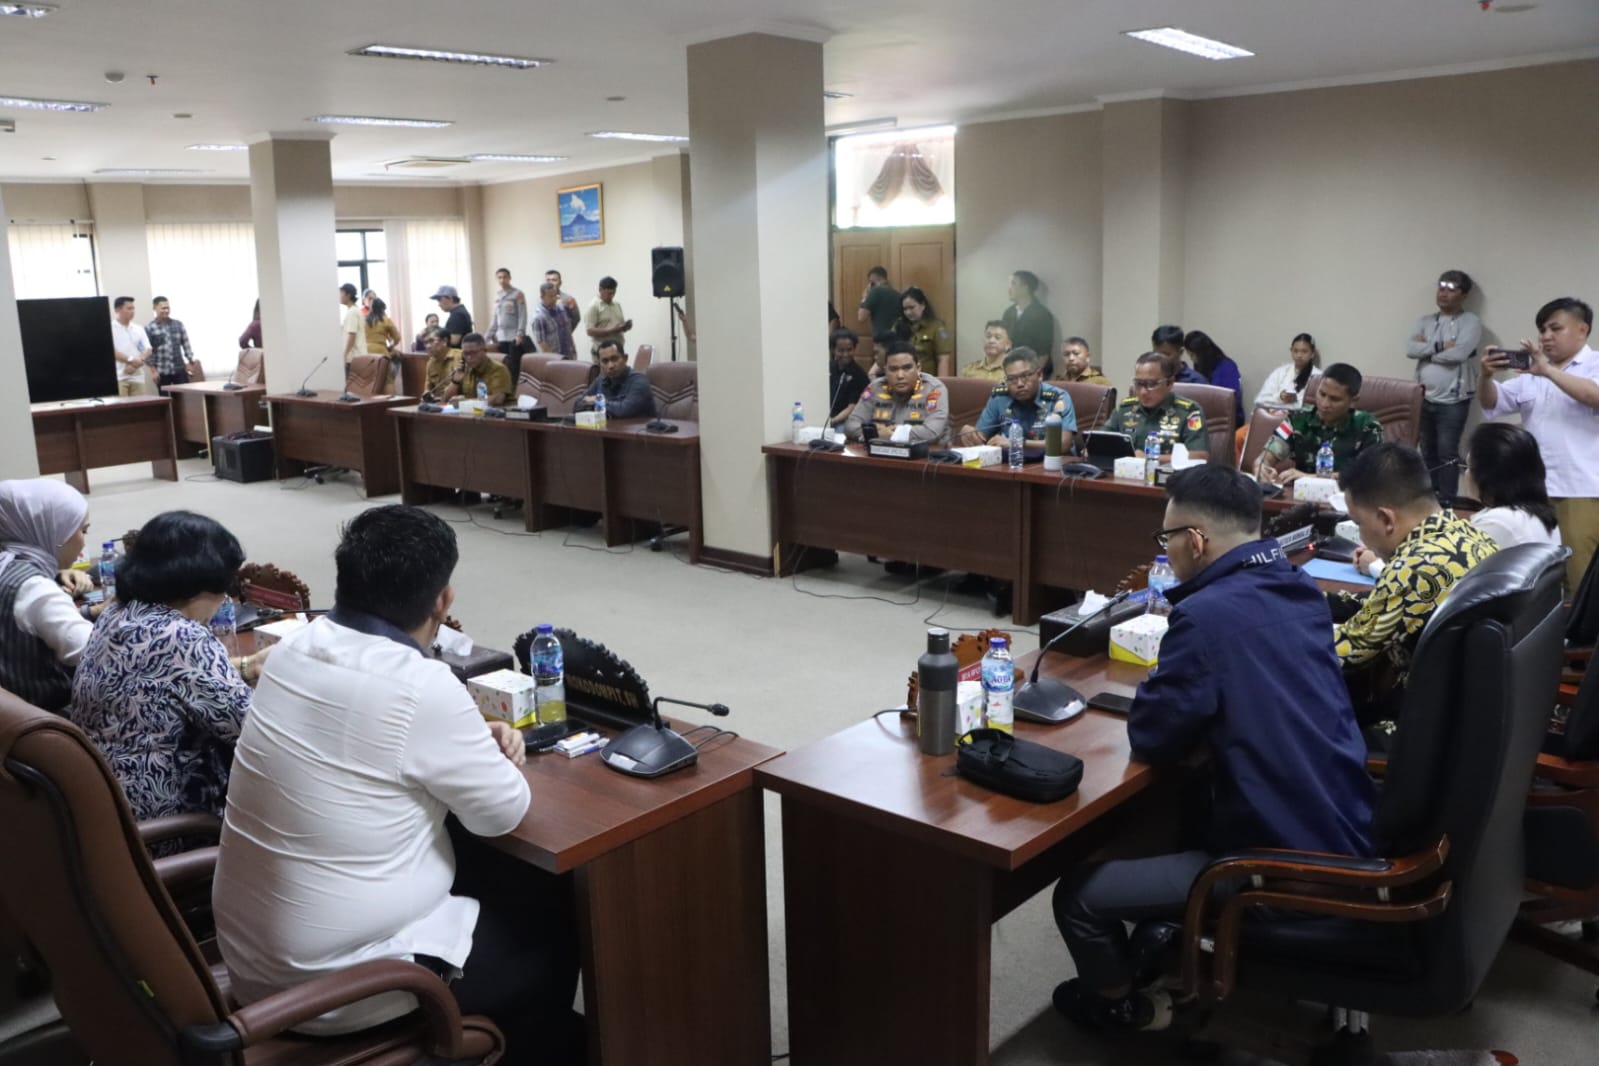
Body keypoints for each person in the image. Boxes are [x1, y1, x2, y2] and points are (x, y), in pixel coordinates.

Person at [214, 505, 582, 1062]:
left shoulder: (290, 651)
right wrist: (473, 746)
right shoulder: (421, 685)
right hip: (344, 987)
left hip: (252, 963)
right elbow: (502, 814)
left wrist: (458, 739)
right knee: (554, 907)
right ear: (442, 601)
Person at [1052, 465, 1374, 1033]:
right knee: (1167, 818)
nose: (1166, 550)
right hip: (1346, 830)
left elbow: (1153, 735)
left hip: (1277, 865)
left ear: (1195, 541)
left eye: (1166, 538)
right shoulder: (1300, 588)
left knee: (1077, 895)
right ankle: (1167, 946)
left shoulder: (1204, 617)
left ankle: (1123, 1006)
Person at [67, 511, 269, 826]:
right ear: (200, 584)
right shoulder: (183, 637)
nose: (225, 599)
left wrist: (249, 666)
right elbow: (252, 731)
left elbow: (167, 681)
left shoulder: (117, 614)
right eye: (224, 588)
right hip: (169, 817)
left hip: (105, 802)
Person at [1332, 443, 1495, 726]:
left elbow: (1344, 652)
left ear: (1386, 519)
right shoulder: (1471, 536)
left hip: (1419, 727)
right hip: (1471, 714)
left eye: (1358, 523)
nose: (1360, 535)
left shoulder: (1415, 568)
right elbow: (1385, 604)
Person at [1480, 297, 1599, 592]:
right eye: (1542, 330)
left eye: (1555, 328)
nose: (1546, 336)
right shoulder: (1532, 374)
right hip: (1534, 489)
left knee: (1579, 577)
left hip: (1579, 489)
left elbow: (1593, 396)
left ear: (1582, 329)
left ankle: (1579, 624)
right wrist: (1485, 376)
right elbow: (1492, 403)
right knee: (1538, 575)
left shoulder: (1593, 364)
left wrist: (1548, 371)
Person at [0, 479, 94, 712]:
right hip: (50, 717)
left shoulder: (7, 565)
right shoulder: (34, 588)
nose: (83, 543)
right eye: (82, 530)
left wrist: (89, 611)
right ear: (54, 532)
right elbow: (94, 653)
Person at [1407, 270, 1482, 500]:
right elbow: (1411, 349)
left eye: (1451, 289)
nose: (1443, 293)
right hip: (1423, 397)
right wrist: (1441, 346)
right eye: (1441, 288)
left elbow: (1459, 354)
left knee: (1447, 453)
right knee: (1426, 451)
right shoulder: (1425, 321)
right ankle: (1429, 499)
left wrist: (1427, 349)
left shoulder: (1470, 322)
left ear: (1464, 295)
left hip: (1453, 400)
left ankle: (1447, 501)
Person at [1254, 363, 1384, 484]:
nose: (1325, 404)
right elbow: (1267, 455)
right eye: (1322, 394)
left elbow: (1370, 474)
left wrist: (1310, 478)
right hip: (1301, 496)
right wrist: (1262, 465)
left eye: (1335, 399)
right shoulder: (1297, 418)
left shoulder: (1367, 426)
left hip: (1346, 497)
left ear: (1353, 401)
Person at [1463, 423, 1563, 551]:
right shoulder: (1539, 514)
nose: (1467, 474)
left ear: (1487, 476)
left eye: (1469, 467)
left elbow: (1454, 559)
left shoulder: (1497, 521)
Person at [959, 348, 1077, 449]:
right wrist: (971, 434)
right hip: (1011, 463)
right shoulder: (999, 398)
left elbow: (1063, 444)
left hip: (1051, 463)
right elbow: (981, 438)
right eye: (1012, 379)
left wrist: (1016, 443)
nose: (1020, 384)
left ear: (1039, 375)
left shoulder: (1057, 398)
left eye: (1025, 376)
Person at [842, 342, 950, 445]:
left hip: (925, 454)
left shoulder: (934, 389)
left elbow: (932, 432)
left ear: (918, 369)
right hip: (880, 453)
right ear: (885, 371)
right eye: (893, 369)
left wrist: (893, 434)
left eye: (907, 368)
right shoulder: (875, 388)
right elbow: (851, 425)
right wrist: (877, 433)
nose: (900, 375)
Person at [1106, 352, 1209, 459]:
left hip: (1167, 470)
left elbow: (1200, 456)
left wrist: (1150, 458)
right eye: (1139, 384)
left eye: (1151, 384)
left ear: (1170, 382)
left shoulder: (1189, 412)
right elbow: (1101, 441)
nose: (1143, 392)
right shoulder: (1125, 409)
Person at [578, 340, 655, 420]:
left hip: (635, 427)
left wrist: (597, 401)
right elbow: (578, 404)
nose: (610, 366)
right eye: (605, 361)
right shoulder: (601, 379)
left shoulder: (639, 381)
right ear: (599, 364)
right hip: (607, 427)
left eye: (614, 359)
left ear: (625, 358)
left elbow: (625, 410)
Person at [1183, 329, 1244, 426]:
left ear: (1202, 353)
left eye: (1192, 355)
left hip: (1227, 420)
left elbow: (1230, 401)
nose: (1191, 359)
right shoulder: (1201, 367)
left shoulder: (1227, 367)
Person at [1001, 270, 1053, 376]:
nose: (1009, 289)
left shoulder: (1042, 315)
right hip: (1011, 370)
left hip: (1033, 371)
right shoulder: (1008, 313)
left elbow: (1044, 352)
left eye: (1013, 283)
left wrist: (1032, 375)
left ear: (1025, 288)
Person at [1253, 333, 1320, 413]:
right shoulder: (1280, 372)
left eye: (1304, 351)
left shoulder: (1318, 377)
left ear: (1312, 354)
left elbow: (1308, 407)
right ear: (1291, 351)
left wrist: (1292, 402)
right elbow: (1260, 400)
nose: (1299, 355)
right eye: (1295, 351)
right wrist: (1280, 397)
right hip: (1274, 417)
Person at [439, 334, 512, 407]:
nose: (469, 357)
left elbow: (497, 399)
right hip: (467, 412)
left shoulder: (498, 369)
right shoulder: (464, 369)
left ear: (485, 351)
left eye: (473, 353)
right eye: (465, 353)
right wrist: (455, 382)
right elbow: (444, 400)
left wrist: (465, 402)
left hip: (495, 412)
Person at [895, 287, 952, 378]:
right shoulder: (898, 325)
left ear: (922, 305)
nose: (908, 312)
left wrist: (941, 383)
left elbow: (943, 359)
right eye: (905, 309)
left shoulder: (937, 328)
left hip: (925, 379)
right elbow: (887, 350)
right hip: (902, 377)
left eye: (912, 307)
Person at [145, 295, 195, 387]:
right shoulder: (150, 328)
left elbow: (186, 344)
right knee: (164, 396)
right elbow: (148, 352)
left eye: (168, 308)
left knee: (184, 395)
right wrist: (153, 371)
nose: (166, 310)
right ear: (155, 308)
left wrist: (190, 362)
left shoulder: (178, 324)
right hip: (161, 371)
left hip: (179, 370)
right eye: (163, 308)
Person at [489, 268, 529, 376]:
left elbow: (522, 315)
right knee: (503, 365)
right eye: (499, 278)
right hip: (501, 337)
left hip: (513, 337)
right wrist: (487, 337)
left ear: (509, 278)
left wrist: (520, 334)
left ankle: (515, 386)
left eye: (504, 277)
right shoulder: (497, 296)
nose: (502, 280)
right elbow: (494, 318)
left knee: (514, 366)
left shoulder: (517, 294)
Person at [111, 295, 153, 397]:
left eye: (133, 308)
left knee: (140, 406)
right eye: (129, 308)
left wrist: (135, 364)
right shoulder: (110, 328)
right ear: (117, 310)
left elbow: (148, 349)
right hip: (119, 377)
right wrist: (131, 360)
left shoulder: (138, 328)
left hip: (137, 376)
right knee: (121, 406)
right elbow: (111, 351)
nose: (132, 311)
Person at [583, 276, 632, 359]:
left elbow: (620, 324)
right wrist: (611, 330)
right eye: (609, 293)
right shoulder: (593, 306)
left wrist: (625, 327)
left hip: (617, 350)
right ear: (600, 290)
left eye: (613, 293)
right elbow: (589, 331)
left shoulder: (617, 304)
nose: (611, 296)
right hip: (602, 353)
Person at [828, 328, 869, 426]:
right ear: (833, 350)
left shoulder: (859, 375)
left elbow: (852, 407)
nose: (845, 354)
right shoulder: (829, 367)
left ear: (854, 348)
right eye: (841, 350)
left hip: (845, 420)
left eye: (849, 350)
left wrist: (832, 421)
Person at [531, 282, 577, 358]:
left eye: (555, 295)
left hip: (569, 354)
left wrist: (573, 350)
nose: (554, 299)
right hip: (555, 358)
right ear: (542, 297)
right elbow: (542, 343)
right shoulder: (538, 317)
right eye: (550, 296)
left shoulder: (561, 308)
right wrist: (555, 360)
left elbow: (567, 330)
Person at [857, 266, 900, 336]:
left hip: (882, 337)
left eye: (871, 282)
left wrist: (864, 298)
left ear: (876, 279)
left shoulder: (876, 291)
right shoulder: (897, 293)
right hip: (898, 336)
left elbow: (861, 317)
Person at [418, 329, 458, 400]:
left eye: (431, 341)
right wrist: (427, 395)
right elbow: (428, 388)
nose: (428, 346)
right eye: (425, 343)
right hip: (439, 402)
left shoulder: (460, 357)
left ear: (445, 341)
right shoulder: (430, 363)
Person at [338, 283, 366, 365]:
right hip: (358, 357)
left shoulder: (352, 312)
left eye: (341, 293)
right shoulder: (355, 310)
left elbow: (352, 335)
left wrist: (344, 354)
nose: (339, 296)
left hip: (354, 358)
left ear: (348, 295)